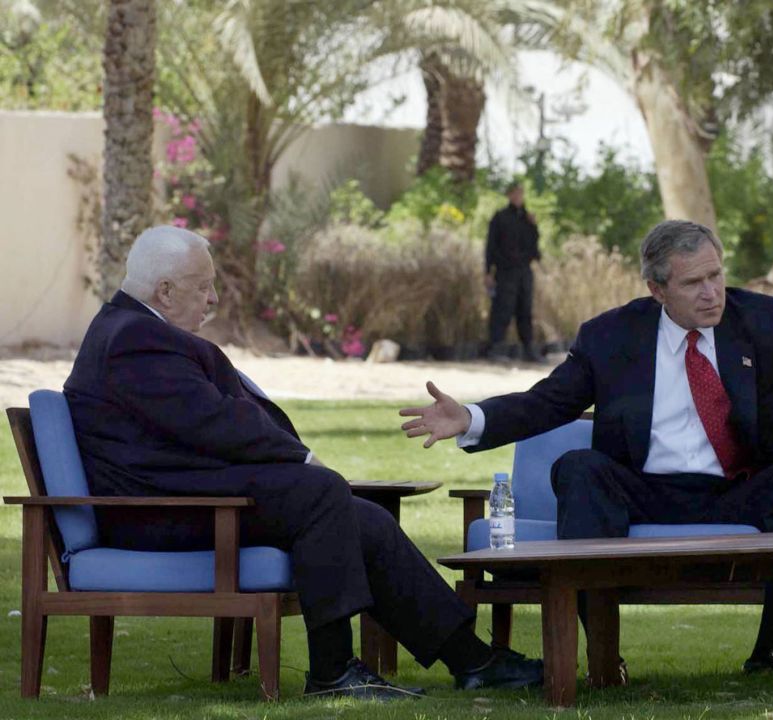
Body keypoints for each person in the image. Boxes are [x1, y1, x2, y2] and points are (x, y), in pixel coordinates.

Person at [400, 219, 773, 673]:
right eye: (693, 283)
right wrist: (471, 417)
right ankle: (602, 658)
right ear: (657, 289)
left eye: (716, 275)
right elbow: (547, 403)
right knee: (579, 468)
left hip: (741, 486)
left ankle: (770, 650)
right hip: (645, 488)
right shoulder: (610, 336)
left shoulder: (758, 320)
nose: (711, 292)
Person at [63, 226, 543, 700]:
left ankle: (473, 662)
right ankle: (332, 673)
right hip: (156, 513)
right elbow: (212, 423)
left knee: (366, 519)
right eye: (204, 287)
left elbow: (190, 428)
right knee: (320, 492)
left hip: (185, 497)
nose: (212, 300)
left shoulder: (135, 330)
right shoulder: (133, 338)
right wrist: (303, 458)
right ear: (164, 291)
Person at [484, 181, 542, 362]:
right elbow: (490, 246)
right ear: (509, 195)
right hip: (505, 271)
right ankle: (496, 349)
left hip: (524, 271)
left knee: (525, 309)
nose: (518, 197)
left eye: (520, 193)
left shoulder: (527, 218)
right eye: (514, 193)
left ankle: (528, 350)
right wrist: (487, 271)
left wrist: (534, 226)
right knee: (502, 308)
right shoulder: (500, 217)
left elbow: (534, 245)